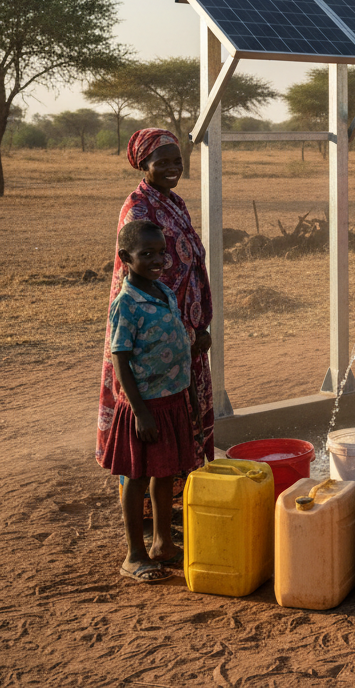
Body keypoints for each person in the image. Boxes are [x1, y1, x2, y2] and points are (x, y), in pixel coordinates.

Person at [96, 129, 215, 511]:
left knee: (179, 426)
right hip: (151, 343)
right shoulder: (138, 208)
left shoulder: (175, 203)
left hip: (182, 338)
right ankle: (144, 518)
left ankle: (172, 512)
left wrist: (196, 329)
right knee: (147, 434)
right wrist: (180, 330)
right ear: (142, 164)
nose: (171, 168)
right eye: (161, 162)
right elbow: (143, 276)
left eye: (176, 161)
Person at [100, 220, 198, 582]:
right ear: (126, 258)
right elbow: (120, 360)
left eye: (161, 252)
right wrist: (140, 411)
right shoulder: (126, 304)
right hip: (145, 407)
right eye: (147, 254)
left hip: (171, 401)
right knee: (137, 478)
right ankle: (134, 554)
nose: (158, 260)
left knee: (165, 473)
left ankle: (162, 544)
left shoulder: (163, 292)